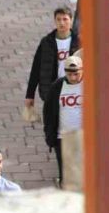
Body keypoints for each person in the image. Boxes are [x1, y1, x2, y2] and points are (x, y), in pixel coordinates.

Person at [25, 7, 79, 112]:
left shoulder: (79, 42)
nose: (62, 23)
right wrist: (30, 95)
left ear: (71, 20)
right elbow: (36, 68)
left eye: (65, 19)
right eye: (58, 19)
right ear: (55, 21)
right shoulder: (46, 42)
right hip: (52, 90)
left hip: (73, 89)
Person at [43, 55, 84, 183]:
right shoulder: (57, 87)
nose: (73, 78)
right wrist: (50, 136)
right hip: (63, 138)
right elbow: (48, 113)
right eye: (69, 74)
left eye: (76, 74)